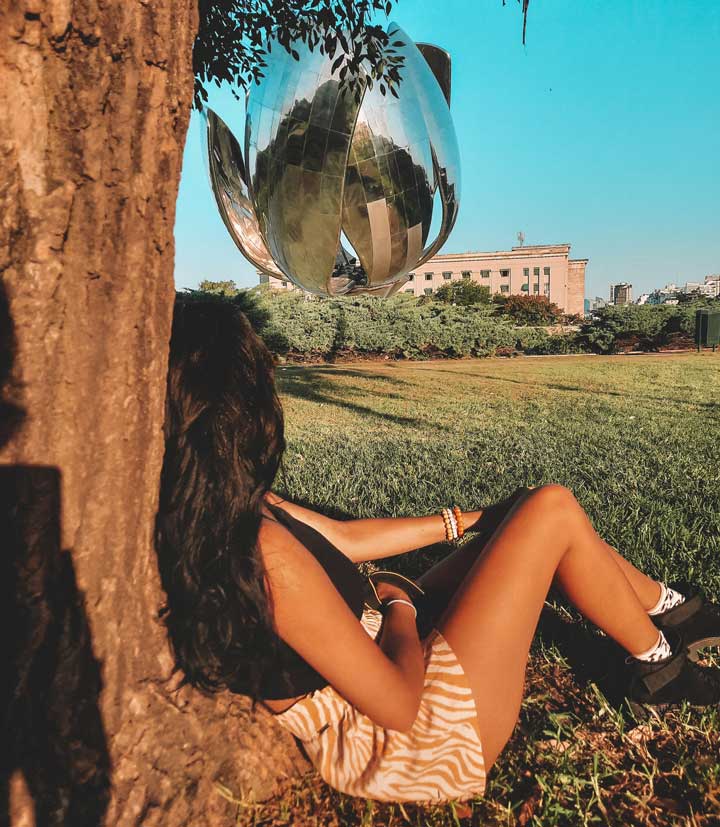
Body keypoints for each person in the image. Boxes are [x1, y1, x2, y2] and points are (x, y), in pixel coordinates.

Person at [156, 299, 720, 804]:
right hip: (420, 739)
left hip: (392, 654)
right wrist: (401, 604)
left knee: (529, 511)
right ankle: (659, 671)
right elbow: (399, 706)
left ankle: (669, 610)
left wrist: (472, 521)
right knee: (548, 511)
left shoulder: (227, 505)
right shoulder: (264, 556)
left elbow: (347, 539)